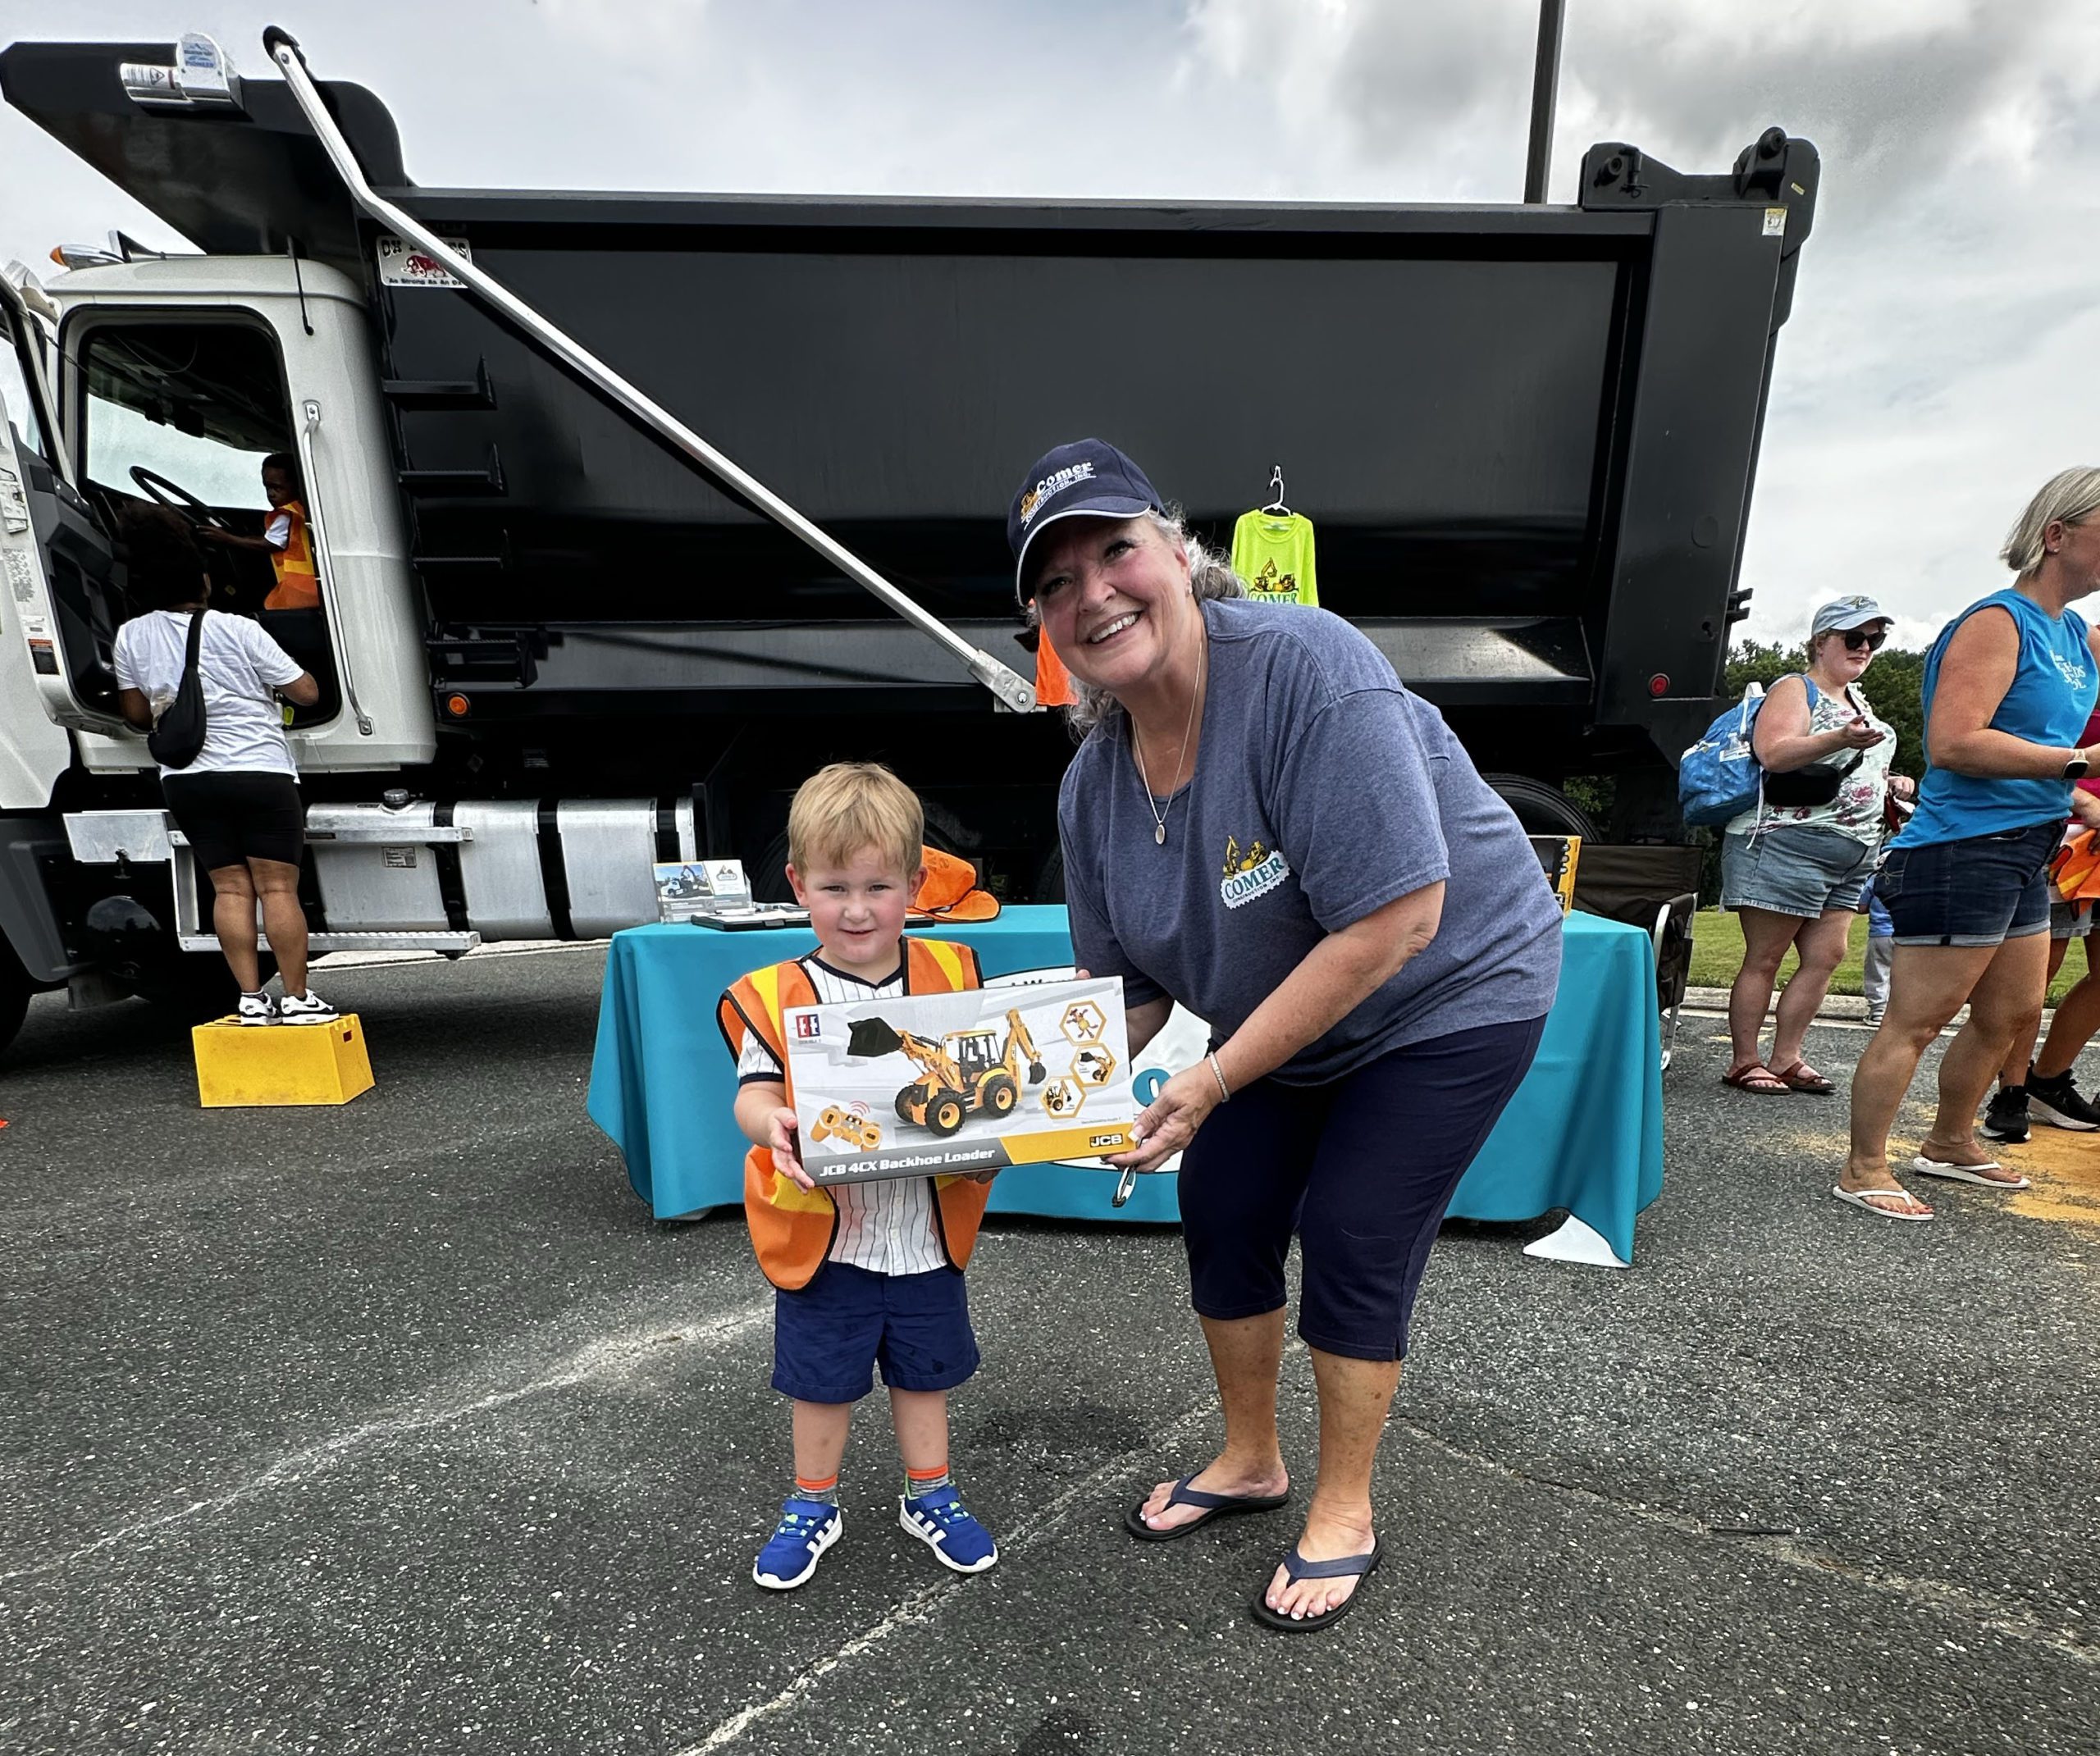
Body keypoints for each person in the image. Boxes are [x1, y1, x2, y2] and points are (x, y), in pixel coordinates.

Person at [1014, 438, 1562, 1631]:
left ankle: (1346, 1508)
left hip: (1450, 987)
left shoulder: (1308, 669)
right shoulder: (1091, 782)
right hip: (1291, 1021)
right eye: (1056, 583)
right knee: (1223, 1206)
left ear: (1176, 551)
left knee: (1355, 1226)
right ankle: (1252, 1462)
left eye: (1115, 551)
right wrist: (983, 1087)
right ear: (1046, 626)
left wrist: (1208, 1079)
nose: (1094, 592)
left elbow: (1398, 920)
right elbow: (1131, 994)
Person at [715, 762, 1001, 1591]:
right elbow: (754, 1092)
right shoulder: (776, 993)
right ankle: (812, 1501)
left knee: (926, 1372)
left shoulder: (952, 973)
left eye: (878, 885)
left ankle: (931, 1492)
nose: (856, 908)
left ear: (916, 883)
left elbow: (994, 1078)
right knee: (820, 1381)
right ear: (798, 884)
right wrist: (772, 1123)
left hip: (922, 1232)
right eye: (834, 885)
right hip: (824, 1233)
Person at [1842, 468, 2100, 1219]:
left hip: (2025, 844)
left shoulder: (2068, 636)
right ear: (2058, 534)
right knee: (1916, 1018)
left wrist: (2076, 798)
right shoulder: (1998, 621)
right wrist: (2080, 766)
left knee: (2014, 1012)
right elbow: (1953, 743)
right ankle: (1863, 1166)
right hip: (1962, 846)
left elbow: (2038, 746)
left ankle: (1950, 1141)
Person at [111, 504, 333, 1025]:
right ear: (204, 581)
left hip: (187, 779)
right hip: (258, 771)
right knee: (277, 888)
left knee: (230, 888)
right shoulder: (238, 629)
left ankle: (250, 1001)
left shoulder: (130, 637)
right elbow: (304, 691)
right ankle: (298, 1000)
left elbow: (137, 715)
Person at [1717, 597, 1913, 1095]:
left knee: (1826, 956)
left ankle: (1786, 1057)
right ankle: (1745, 1060)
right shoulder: (1794, 688)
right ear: (1821, 642)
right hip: (1788, 842)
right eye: (1854, 638)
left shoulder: (1859, 701)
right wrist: (1840, 738)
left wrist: (1890, 783)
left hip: (1851, 850)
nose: (1865, 648)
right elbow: (1775, 754)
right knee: (1766, 956)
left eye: (1874, 639)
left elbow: (1853, 770)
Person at [199, 451, 320, 610]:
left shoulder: (288, 515)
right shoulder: (303, 511)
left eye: (277, 488)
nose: (271, 494)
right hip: (311, 592)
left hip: (297, 593)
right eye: (267, 487)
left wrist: (227, 538)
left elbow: (269, 544)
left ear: (297, 486)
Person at [1859, 877, 1893, 1030]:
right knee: (1907, 974)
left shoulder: (1878, 877)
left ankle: (1878, 1010)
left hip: (1881, 933)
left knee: (1878, 970)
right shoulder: (1918, 876)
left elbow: (1861, 906)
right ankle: (1902, 1010)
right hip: (1909, 934)